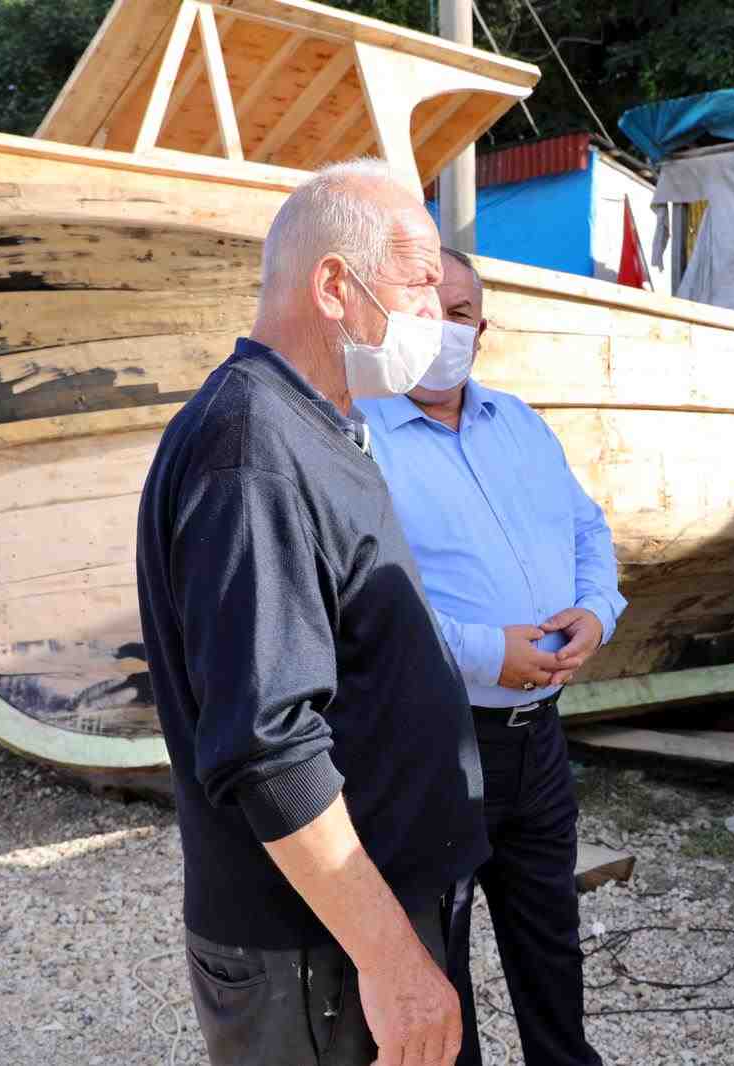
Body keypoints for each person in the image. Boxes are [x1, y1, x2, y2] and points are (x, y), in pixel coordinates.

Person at [135, 158, 488, 1066]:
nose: (433, 309)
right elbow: (269, 745)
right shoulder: (250, 452)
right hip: (318, 952)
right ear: (337, 285)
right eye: (417, 284)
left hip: (358, 926)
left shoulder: (315, 424)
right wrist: (394, 962)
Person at [356, 247, 626, 1066]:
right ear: (393, 323)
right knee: (440, 952)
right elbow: (362, 601)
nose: (445, 328)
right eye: (428, 310)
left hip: (537, 738)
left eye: (462, 312)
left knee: (549, 937)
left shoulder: (523, 424)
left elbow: (587, 530)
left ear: (484, 328)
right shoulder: (359, 440)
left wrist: (596, 611)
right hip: (434, 742)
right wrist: (484, 654)